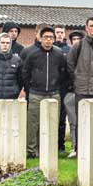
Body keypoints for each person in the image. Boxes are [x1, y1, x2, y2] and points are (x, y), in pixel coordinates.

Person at [21, 27, 69, 157]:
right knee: (33, 123)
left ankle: (49, 149)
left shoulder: (59, 55)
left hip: (54, 93)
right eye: (46, 37)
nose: (48, 40)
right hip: (36, 93)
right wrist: (29, 88)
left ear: (54, 39)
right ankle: (31, 151)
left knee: (52, 123)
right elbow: (25, 73)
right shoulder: (33, 55)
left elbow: (64, 72)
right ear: (41, 39)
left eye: (51, 37)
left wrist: (58, 86)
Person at [0, 34, 23, 100]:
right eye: (2, 42)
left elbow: (20, 80)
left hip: (11, 98)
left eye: (7, 43)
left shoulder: (17, 60)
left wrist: (16, 91)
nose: (5, 45)